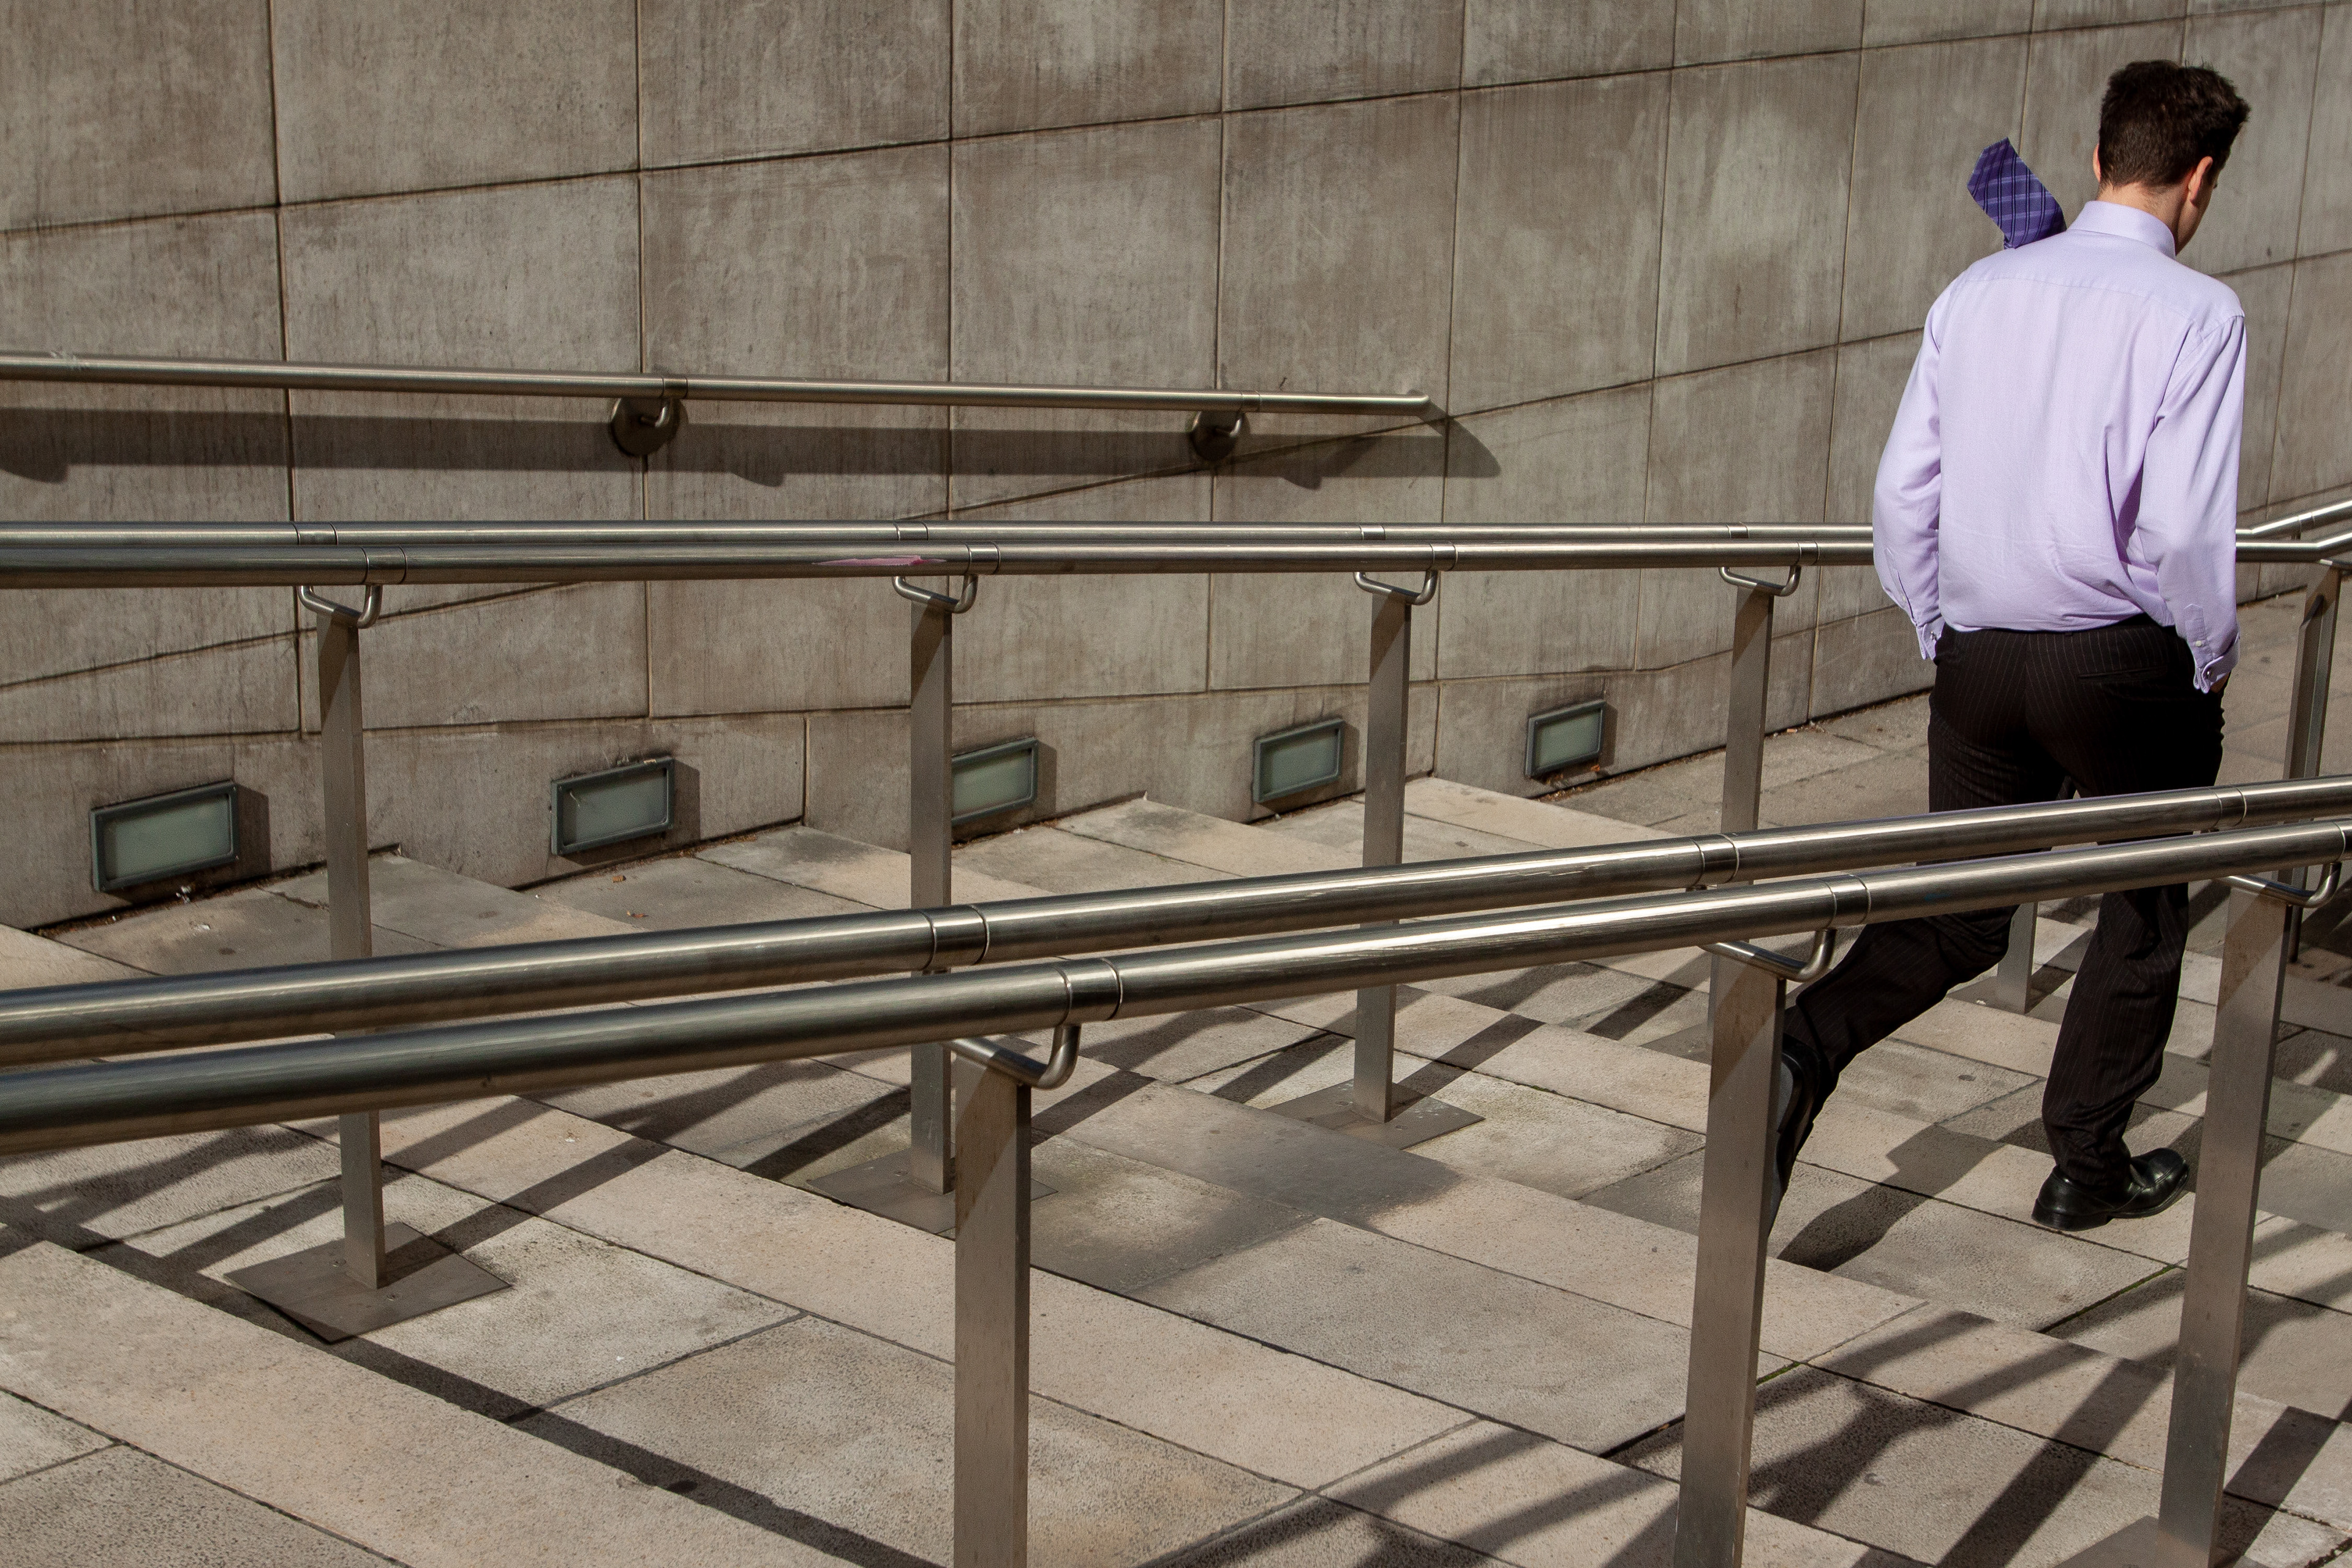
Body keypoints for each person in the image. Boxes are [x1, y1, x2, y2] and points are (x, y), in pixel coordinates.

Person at [1774, 60, 2254, 1232]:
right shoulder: (2199, 312)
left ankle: (1804, 1043)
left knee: (1956, 913)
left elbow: (1903, 493)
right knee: (2142, 907)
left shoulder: (1979, 290)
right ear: (2199, 180)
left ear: (2096, 160)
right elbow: (2185, 525)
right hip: (2120, 659)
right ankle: (2085, 1163)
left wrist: (1940, 620)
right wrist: (2208, 654)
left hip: (1982, 657)